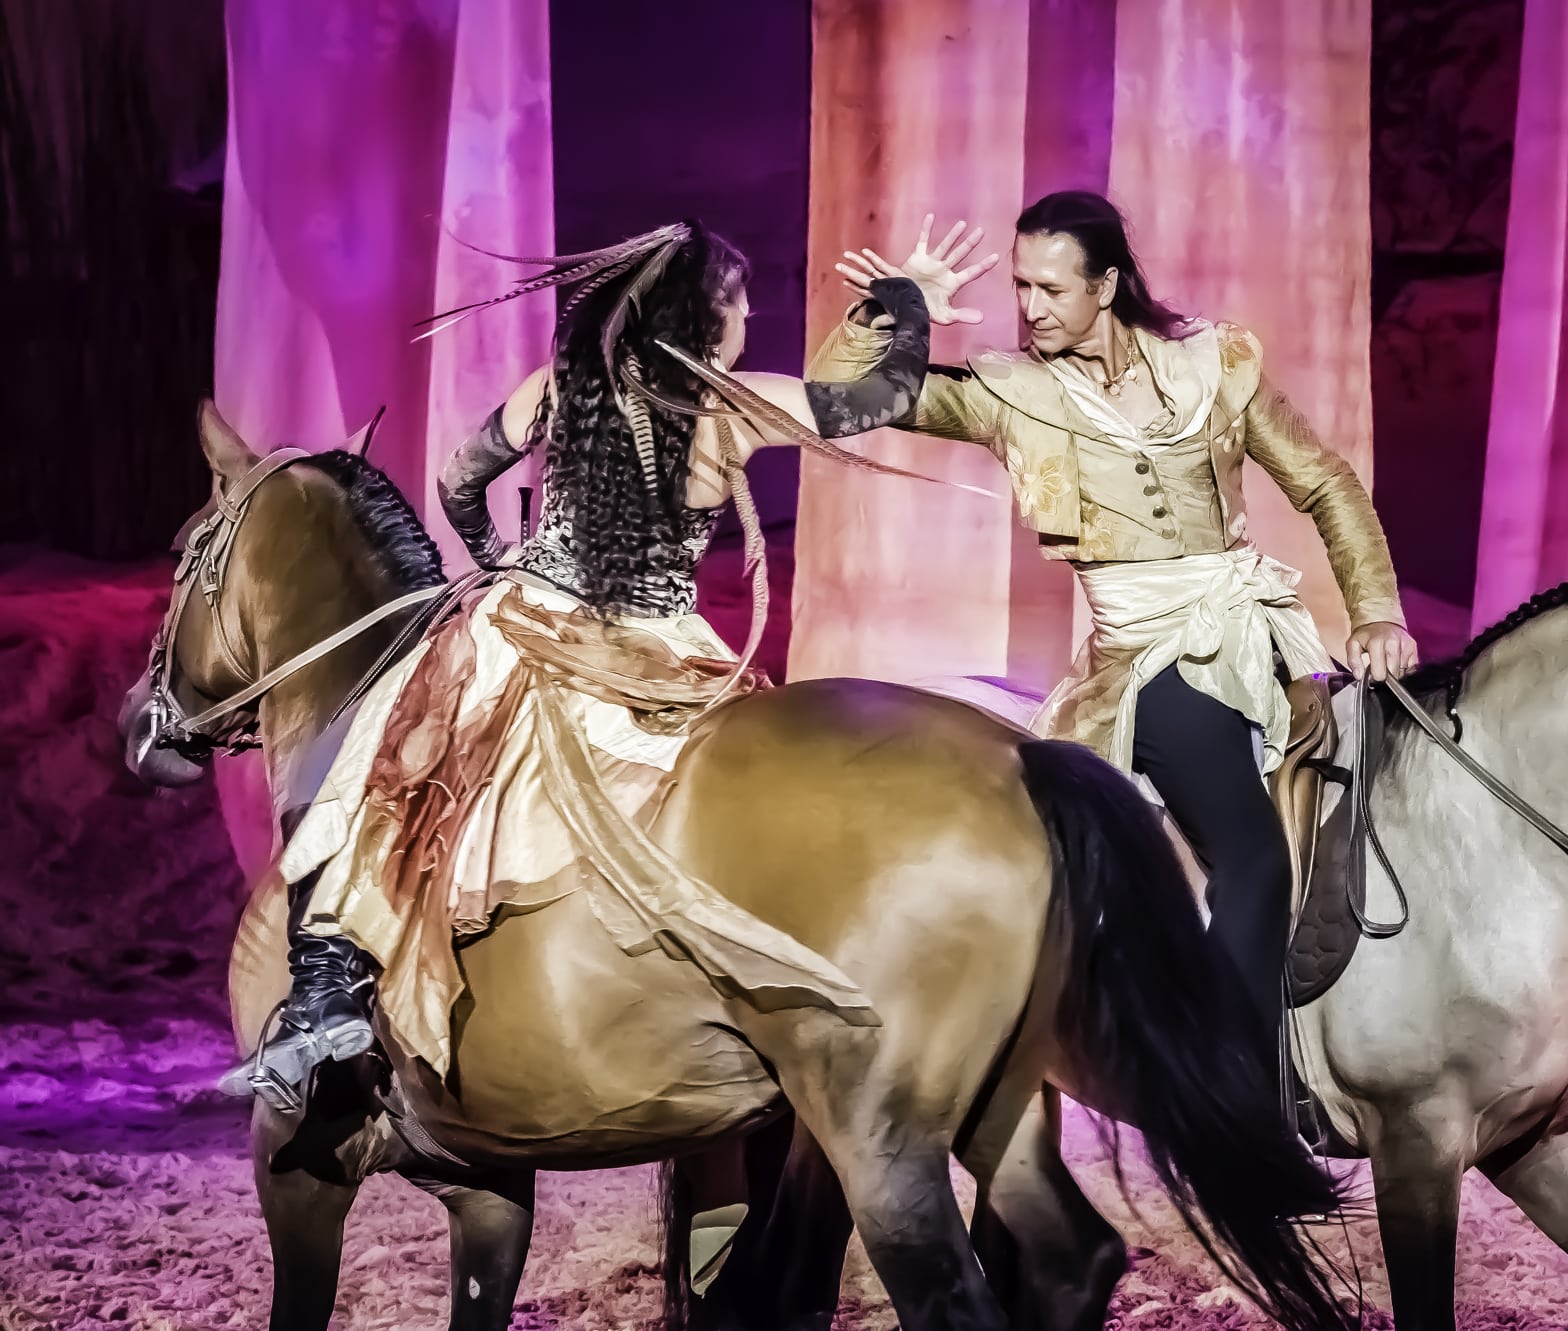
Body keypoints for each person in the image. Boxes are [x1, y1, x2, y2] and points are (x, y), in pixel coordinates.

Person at [222, 221, 934, 1110]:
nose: (752, 314)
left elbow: (455, 481)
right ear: (708, 314)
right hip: (667, 649)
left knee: (384, 771)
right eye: (742, 300)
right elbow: (890, 395)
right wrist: (906, 303)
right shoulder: (736, 406)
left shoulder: (560, 388)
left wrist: (490, 556)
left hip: (533, 622)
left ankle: (325, 995)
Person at [817, 191, 1416, 1109]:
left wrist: (1378, 610)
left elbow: (1327, 483)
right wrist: (898, 305)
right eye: (1021, 286)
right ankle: (1226, 1097)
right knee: (1254, 860)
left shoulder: (1214, 366)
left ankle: (1360, 1037)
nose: (1030, 306)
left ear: (1108, 284)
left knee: (1359, 797)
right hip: (1145, 658)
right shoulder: (1012, 395)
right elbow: (843, 406)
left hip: (1254, 637)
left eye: (1051, 287)